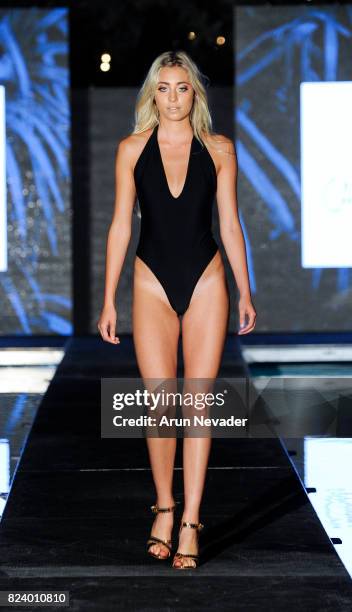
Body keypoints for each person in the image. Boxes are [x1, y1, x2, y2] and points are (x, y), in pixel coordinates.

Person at [97, 50, 256, 569]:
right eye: (163, 88)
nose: (172, 97)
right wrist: (108, 299)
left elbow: (230, 224)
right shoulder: (130, 150)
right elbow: (122, 224)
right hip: (149, 284)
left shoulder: (220, 149)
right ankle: (165, 506)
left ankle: (191, 522)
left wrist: (246, 291)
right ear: (152, 93)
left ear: (195, 94)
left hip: (207, 280)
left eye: (182, 88)